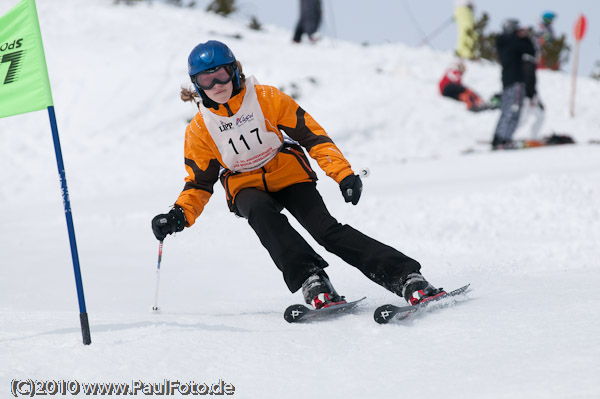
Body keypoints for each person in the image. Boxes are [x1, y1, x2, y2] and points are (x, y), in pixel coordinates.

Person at [152, 40, 446, 310]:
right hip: (245, 184)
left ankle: (406, 277)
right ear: (196, 85)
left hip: (288, 173)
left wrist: (343, 175)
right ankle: (311, 279)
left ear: (234, 71)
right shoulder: (200, 129)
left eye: (221, 75)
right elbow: (199, 183)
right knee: (260, 213)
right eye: (206, 79)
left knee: (326, 231)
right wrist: (179, 215)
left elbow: (313, 137)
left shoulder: (266, 98)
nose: (216, 84)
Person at [491, 19, 535, 150]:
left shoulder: (502, 41)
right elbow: (531, 50)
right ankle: (504, 140)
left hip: (507, 81)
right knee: (513, 111)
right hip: (516, 81)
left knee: (506, 111)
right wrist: (526, 37)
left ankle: (498, 138)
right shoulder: (515, 42)